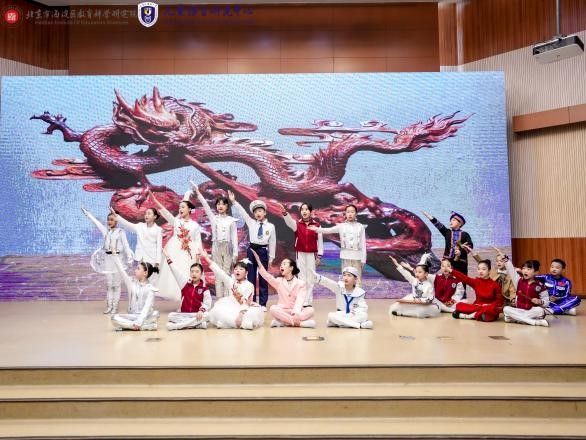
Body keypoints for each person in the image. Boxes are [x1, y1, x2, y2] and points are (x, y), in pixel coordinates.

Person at [149, 188, 202, 301]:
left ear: (189, 209)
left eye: (183, 207)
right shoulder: (176, 221)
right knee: (175, 275)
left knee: (189, 275)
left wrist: (198, 254)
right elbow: (164, 211)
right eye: (179, 207)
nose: (180, 209)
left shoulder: (195, 225)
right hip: (175, 251)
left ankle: (186, 301)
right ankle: (181, 300)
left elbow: (198, 241)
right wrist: (154, 200)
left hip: (190, 253)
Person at [229, 190, 276, 309]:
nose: (258, 213)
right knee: (250, 277)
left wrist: (271, 257)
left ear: (265, 212)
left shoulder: (270, 226)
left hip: (263, 251)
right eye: (255, 212)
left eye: (260, 211)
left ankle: (263, 304)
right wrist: (234, 202)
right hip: (251, 250)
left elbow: (272, 242)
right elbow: (243, 212)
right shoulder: (251, 223)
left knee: (263, 277)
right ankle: (251, 301)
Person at [81, 206, 133, 314]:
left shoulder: (121, 232)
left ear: (116, 221)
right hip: (108, 259)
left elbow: (126, 246)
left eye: (112, 219)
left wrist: (129, 258)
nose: (109, 222)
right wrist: (87, 213)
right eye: (108, 219)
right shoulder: (106, 231)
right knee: (109, 284)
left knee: (116, 285)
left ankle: (115, 307)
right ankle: (109, 306)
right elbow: (96, 222)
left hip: (118, 259)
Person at [192, 182, 238, 298]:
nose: (220, 206)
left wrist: (235, 254)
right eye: (218, 204)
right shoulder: (214, 218)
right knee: (218, 274)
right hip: (216, 246)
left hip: (228, 247)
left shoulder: (231, 221)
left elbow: (234, 238)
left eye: (223, 204)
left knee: (227, 274)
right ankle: (219, 300)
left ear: (227, 207)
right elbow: (205, 205)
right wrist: (198, 192)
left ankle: (228, 300)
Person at [202, 250, 265, 330]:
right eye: (236, 269)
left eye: (241, 269)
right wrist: (206, 258)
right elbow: (219, 272)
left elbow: (245, 302)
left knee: (250, 316)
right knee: (217, 310)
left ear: (246, 273)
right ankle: (229, 323)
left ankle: (227, 323)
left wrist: (240, 315)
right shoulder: (231, 282)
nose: (237, 271)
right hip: (230, 305)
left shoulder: (249, 285)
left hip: (244, 307)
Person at [251, 249, 315, 328]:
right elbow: (267, 276)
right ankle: (298, 323)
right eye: (281, 264)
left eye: (284, 264)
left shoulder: (301, 284)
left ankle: (283, 322)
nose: (281, 266)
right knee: (273, 309)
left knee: (310, 310)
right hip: (283, 310)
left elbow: (300, 300)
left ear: (291, 268)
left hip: (296, 310)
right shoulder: (279, 281)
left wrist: (296, 313)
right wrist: (258, 261)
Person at [278, 202, 323, 306]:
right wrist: (285, 213)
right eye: (302, 209)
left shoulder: (317, 225)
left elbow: (320, 241)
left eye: (306, 209)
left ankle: (308, 301)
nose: (304, 211)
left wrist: (319, 255)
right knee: (302, 277)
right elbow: (289, 222)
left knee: (310, 277)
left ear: (310, 212)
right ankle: (302, 301)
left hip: (312, 254)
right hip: (300, 253)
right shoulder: (297, 224)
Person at [310, 204, 367, 286]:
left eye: (352, 212)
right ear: (345, 214)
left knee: (357, 281)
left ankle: (357, 294)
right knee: (346, 280)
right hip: (345, 257)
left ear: (356, 214)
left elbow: (363, 244)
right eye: (348, 212)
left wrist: (363, 259)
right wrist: (316, 229)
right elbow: (328, 230)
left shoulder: (360, 227)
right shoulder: (342, 226)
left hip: (357, 257)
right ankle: (345, 294)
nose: (350, 214)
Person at [109, 206, 162, 285]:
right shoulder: (140, 226)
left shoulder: (158, 230)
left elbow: (159, 247)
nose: (146, 215)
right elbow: (127, 224)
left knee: (150, 282)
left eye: (149, 214)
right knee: (140, 281)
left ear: (154, 216)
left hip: (152, 259)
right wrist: (117, 216)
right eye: (145, 214)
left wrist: (157, 262)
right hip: (140, 258)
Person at [164, 249, 212, 330]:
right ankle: (197, 325)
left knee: (208, 315)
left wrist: (201, 311)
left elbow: (207, 303)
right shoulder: (185, 283)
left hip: (196, 314)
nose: (194, 274)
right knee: (170, 316)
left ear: (201, 274)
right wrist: (168, 258)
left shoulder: (204, 288)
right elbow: (175, 271)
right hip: (184, 314)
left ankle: (177, 326)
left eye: (197, 272)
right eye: (192, 271)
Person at [110, 254, 159, 331]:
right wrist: (114, 255)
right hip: (132, 316)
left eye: (138, 269)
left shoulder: (150, 289)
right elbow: (122, 271)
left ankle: (131, 326)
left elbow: (146, 308)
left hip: (144, 316)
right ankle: (144, 326)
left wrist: (139, 322)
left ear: (145, 273)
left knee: (154, 314)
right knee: (114, 317)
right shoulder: (131, 282)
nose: (135, 270)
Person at [502, 257, 549, 327]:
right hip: (519, 310)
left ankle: (514, 318)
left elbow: (546, 302)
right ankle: (535, 322)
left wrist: (540, 301)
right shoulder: (518, 281)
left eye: (528, 269)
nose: (525, 271)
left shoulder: (540, 286)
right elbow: (511, 270)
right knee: (506, 309)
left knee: (540, 311)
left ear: (536, 272)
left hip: (531, 311)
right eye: (523, 268)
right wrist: (505, 259)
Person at [422, 210, 473, 275]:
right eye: (450, 220)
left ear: (460, 224)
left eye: (454, 220)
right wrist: (428, 216)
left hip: (461, 262)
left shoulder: (465, 234)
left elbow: (470, 245)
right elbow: (438, 225)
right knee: (447, 278)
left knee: (461, 278)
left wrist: (461, 252)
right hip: (448, 261)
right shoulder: (447, 232)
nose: (451, 222)